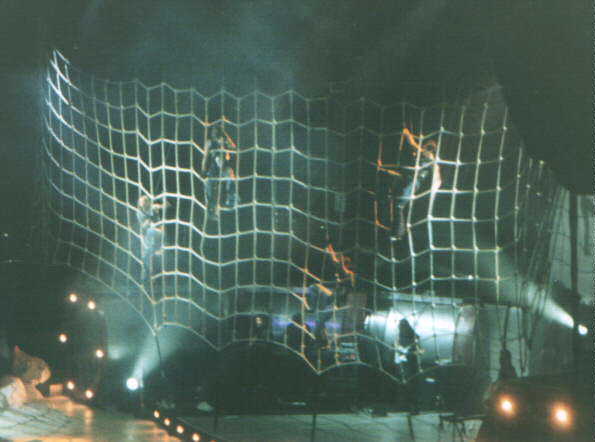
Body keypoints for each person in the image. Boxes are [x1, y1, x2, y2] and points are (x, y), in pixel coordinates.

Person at [390, 129, 442, 241]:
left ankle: (398, 233)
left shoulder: (428, 155)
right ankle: (398, 231)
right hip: (410, 179)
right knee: (397, 201)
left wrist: (407, 135)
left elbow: (413, 146)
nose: (423, 146)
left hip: (413, 182)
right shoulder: (427, 159)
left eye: (425, 146)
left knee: (399, 205)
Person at [201, 126, 238, 219]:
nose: (214, 134)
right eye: (213, 132)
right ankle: (211, 210)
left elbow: (234, 148)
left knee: (230, 174)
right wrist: (203, 170)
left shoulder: (224, 141)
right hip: (213, 169)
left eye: (216, 131)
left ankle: (231, 199)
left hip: (224, 168)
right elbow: (205, 157)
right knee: (210, 188)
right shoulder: (209, 142)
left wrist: (226, 139)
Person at [137, 195, 167, 282]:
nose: (144, 204)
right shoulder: (140, 213)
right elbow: (143, 227)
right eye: (142, 202)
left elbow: (166, 206)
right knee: (146, 256)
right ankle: (148, 275)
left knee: (153, 253)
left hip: (158, 233)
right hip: (147, 236)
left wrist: (163, 199)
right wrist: (147, 222)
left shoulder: (153, 207)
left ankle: (154, 275)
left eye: (146, 202)